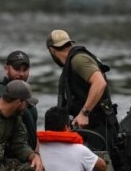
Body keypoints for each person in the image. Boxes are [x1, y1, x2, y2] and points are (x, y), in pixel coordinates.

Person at [45, 29, 119, 157]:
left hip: (99, 126)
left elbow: (99, 83)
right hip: (90, 127)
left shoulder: (78, 60)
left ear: (51, 50)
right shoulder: (72, 61)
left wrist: (84, 113)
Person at [0, 50, 39, 152]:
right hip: (7, 161)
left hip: (28, 157)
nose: (21, 74)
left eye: (25, 69)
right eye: (17, 69)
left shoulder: (27, 95)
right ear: (6, 69)